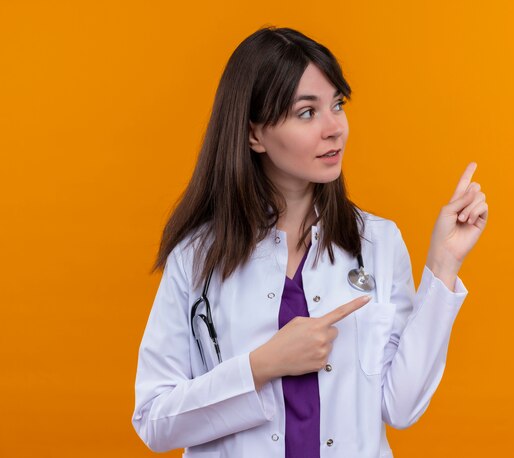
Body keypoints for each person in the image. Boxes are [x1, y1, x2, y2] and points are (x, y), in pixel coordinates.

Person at [131, 26, 488, 458]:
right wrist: (263, 365)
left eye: (337, 105)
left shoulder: (377, 242)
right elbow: (154, 419)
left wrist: (445, 263)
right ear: (254, 135)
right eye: (307, 112)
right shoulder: (198, 257)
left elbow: (402, 405)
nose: (334, 128)